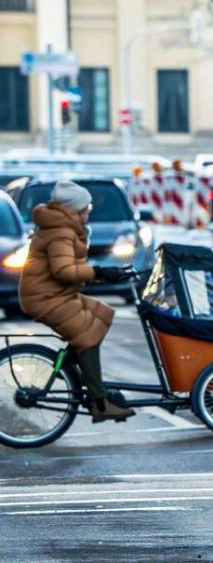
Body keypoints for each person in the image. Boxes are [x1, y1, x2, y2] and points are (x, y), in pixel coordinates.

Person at [18, 180, 135, 422]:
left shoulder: (64, 227)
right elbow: (64, 270)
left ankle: (73, 370)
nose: (90, 210)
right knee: (87, 334)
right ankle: (99, 402)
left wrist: (105, 273)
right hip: (45, 297)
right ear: (74, 210)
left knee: (103, 314)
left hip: (57, 294)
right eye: (86, 207)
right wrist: (99, 273)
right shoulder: (61, 231)